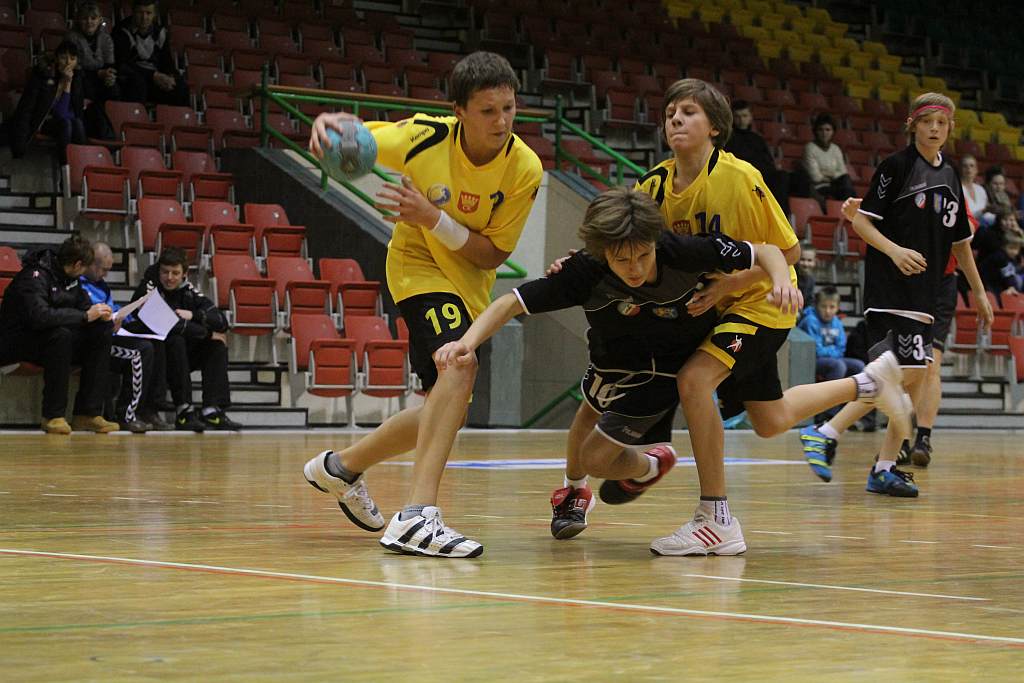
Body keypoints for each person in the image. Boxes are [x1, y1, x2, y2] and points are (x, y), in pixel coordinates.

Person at [631, 79, 910, 556]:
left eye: (689, 112)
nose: (675, 118)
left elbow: (790, 250)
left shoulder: (740, 178)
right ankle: (868, 384)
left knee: (694, 381)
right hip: (718, 309)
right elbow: (629, 237)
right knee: (769, 418)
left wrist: (729, 284)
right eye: (671, 111)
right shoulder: (654, 184)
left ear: (715, 128)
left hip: (762, 300)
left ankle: (716, 518)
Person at [435, 187, 801, 544]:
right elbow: (510, 303)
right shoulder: (585, 269)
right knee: (586, 413)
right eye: (623, 261)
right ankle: (574, 493)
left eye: (643, 256)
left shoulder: (683, 251)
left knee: (594, 457)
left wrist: (781, 281)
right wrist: (466, 343)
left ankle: (651, 465)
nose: (635, 268)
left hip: (661, 370)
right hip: (613, 353)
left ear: (655, 242)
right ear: (602, 252)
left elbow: (768, 251)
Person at [302, 51, 543, 558]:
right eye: (488, 111)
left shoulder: (524, 168)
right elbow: (356, 134)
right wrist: (327, 125)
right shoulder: (424, 136)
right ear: (459, 111)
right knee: (459, 364)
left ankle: (339, 468)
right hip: (416, 268)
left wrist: (434, 218)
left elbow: (493, 252)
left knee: (444, 411)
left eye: (509, 108)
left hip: (470, 281)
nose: (502, 121)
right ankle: (417, 517)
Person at [800, 92, 994, 493]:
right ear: (913, 125)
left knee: (916, 381)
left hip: (925, 295)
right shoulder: (896, 167)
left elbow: (961, 244)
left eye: (942, 123)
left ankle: (883, 468)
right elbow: (862, 223)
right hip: (890, 289)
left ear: (950, 128)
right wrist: (894, 250)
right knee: (899, 376)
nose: (935, 130)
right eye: (927, 123)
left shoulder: (951, 175)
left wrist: (978, 291)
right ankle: (827, 430)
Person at [0, 237, 118, 434]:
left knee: (101, 332)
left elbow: (83, 308)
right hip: (17, 341)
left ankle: (87, 413)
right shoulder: (34, 277)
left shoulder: (70, 278)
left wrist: (100, 316)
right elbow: (40, 317)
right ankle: (53, 415)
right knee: (60, 336)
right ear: (77, 264)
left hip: (49, 339)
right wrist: (84, 316)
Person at [130, 247, 240, 431]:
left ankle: (211, 410)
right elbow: (166, 323)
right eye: (165, 272)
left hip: (181, 358)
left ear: (184, 274)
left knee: (217, 345)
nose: (170, 277)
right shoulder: (149, 287)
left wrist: (194, 315)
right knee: (176, 339)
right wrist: (204, 332)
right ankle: (184, 410)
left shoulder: (188, 290)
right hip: (158, 359)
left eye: (175, 273)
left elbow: (221, 321)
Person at [80, 242, 171, 433]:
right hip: (90, 340)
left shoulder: (101, 286)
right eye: (103, 269)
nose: (105, 274)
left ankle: (149, 406)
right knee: (140, 352)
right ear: (91, 264)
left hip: (109, 334)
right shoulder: (79, 284)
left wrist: (127, 315)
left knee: (154, 341)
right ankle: (127, 415)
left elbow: (113, 311)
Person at [8, 41, 86, 164]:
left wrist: (68, 83)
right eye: (63, 57)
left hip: (64, 121)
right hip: (42, 121)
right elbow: (26, 109)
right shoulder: (42, 75)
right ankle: (64, 169)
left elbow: (75, 113)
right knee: (66, 124)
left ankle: (80, 168)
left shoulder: (77, 80)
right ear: (56, 59)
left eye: (72, 59)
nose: (68, 63)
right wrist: (20, 144)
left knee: (78, 124)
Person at [798, 287, 864, 421]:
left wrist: (830, 352)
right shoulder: (810, 321)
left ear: (837, 307)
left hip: (833, 359)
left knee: (859, 366)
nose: (828, 311)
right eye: (824, 306)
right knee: (838, 366)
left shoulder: (837, 323)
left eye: (832, 307)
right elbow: (816, 350)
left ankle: (851, 415)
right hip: (811, 361)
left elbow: (841, 348)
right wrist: (832, 352)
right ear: (817, 305)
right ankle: (829, 415)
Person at [113, 0, 189, 106]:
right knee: (137, 83)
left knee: (180, 86)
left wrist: (171, 77)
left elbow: (166, 61)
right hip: (133, 78)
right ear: (133, 12)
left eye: (148, 13)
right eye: (140, 13)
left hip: (154, 78)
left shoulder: (160, 32)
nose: (144, 18)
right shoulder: (122, 31)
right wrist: (153, 75)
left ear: (154, 15)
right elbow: (122, 64)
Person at [725, 100, 790, 214]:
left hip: (761, 176)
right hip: (742, 176)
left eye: (744, 116)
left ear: (750, 117)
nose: (741, 120)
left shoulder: (758, 139)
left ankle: (779, 217)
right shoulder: (728, 138)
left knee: (782, 176)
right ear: (732, 118)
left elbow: (769, 162)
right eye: (737, 116)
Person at [65, 2, 120, 110]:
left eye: (93, 18)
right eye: (85, 18)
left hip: (101, 77)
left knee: (114, 88)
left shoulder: (106, 38)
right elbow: (74, 65)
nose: (89, 22)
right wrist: (98, 73)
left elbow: (110, 64)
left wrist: (109, 75)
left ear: (99, 20)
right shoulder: (71, 38)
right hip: (79, 76)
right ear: (79, 20)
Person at [802, 113, 854, 205]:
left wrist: (825, 175)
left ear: (833, 132)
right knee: (846, 188)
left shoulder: (836, 149)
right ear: (815, 131)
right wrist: (833, 175)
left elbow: (843, 173)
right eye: (820, 130)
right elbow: (816, 177)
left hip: (837, 185)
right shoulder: (810, 148)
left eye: (828, 130)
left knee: (846, 181)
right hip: (819, 187)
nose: (824, 133)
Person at [959, 155, 987, 221]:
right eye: (964, 166)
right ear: (959, 169)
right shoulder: (955, 188)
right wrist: (983, 211)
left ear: (976, 170)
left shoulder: (981, 189)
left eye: (972, 166)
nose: (968, 168)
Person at [796, 242, 816, 314]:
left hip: (802, 312)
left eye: (809, 260)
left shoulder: (811, 280)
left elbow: (810, 300)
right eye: (802, 259)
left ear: (814, 262)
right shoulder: (792, 275)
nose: (806, 264)